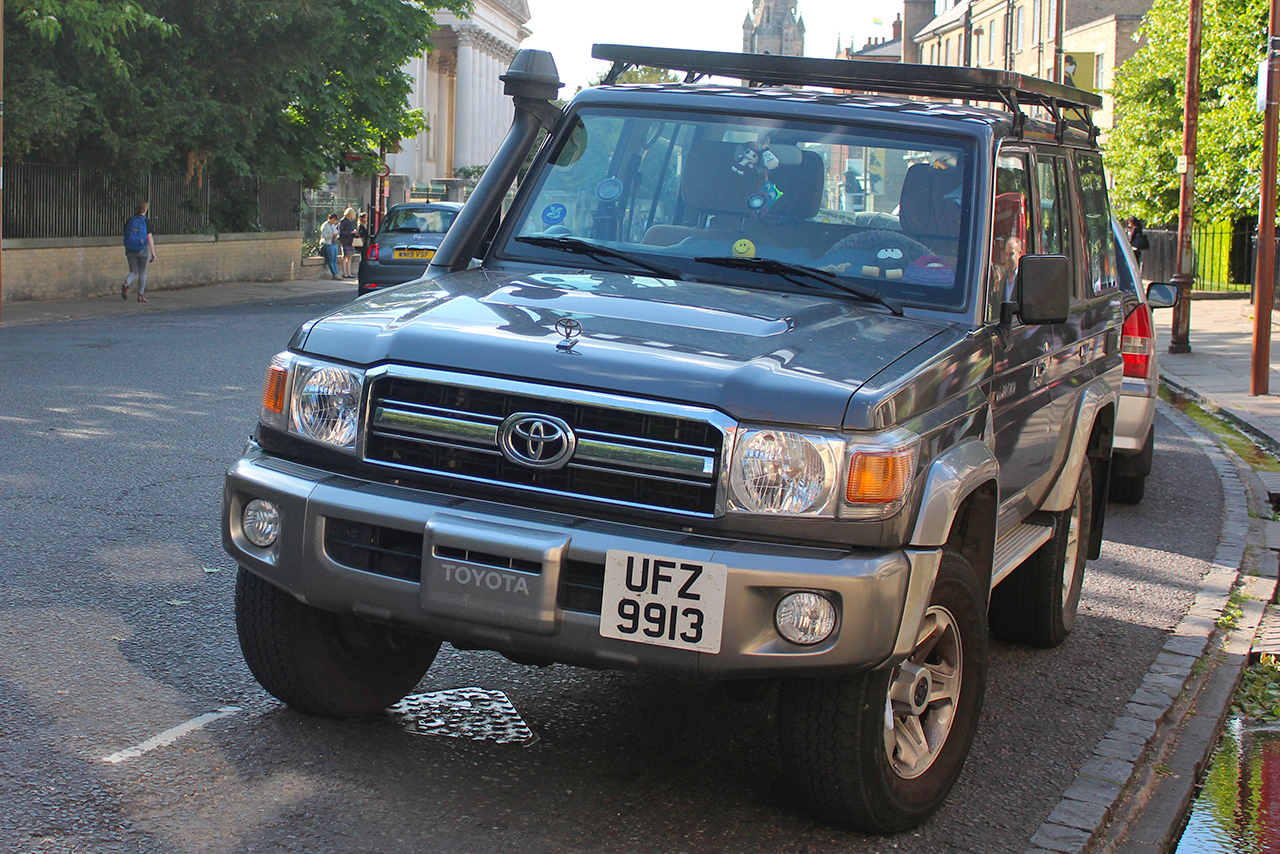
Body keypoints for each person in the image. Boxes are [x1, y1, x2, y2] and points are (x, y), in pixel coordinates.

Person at [122, 201, 157, 303]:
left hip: (130, 249)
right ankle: (140, 296)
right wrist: (153, 252)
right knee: (142, 272)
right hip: (143, 250)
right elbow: (149, 238)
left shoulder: (130, 221)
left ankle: (126, 283)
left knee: (133, 271)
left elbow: (126, 235)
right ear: (145, 210)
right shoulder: (146, 221)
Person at [338, 207, 358, 278]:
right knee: (345, 256)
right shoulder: (343, 221)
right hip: (345, 241)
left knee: (350, 257)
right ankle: (345, 273)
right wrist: (351, 232)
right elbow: (341, 232)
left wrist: (354, 233)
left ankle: (349, 273)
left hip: (350, 241)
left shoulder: (350, 222)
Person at [319, 213, 341, 280]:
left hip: (334, 243)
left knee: (334, 259)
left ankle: (336, 273)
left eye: (335, 220)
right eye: (333, 219)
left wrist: (336, 235)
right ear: (330, 219)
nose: (334, 221)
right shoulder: (325, 225)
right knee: (331, 259)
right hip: (328, 243)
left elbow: (337, 234)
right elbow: (323, 235)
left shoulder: (333, 226)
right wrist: (332, 235)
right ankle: (335, 274)